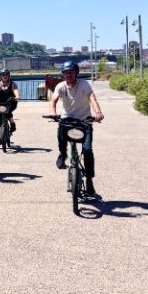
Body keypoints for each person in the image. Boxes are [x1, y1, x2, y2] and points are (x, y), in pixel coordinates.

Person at [49, 60, 104, 196]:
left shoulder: (84, 84)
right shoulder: (60, 86)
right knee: (61, 129)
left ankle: (90, 180)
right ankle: (63, 154)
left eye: (71, 72)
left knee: (87, 150)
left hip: (84, 121)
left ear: (76, 73)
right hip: (67, 120)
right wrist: (53, 112)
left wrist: (97, 112)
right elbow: (53, 100)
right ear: (63, 74)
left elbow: (92, 98)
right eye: (66, 73)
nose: (68, 75)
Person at [0, 69, 21, 145]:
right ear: (0, 76)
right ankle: (0, 137)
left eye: (6, 74)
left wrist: (17, 96)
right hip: (0, 103)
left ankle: (12, 123)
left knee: (7, 112)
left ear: (9, 75)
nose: (5, 76)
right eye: (3, 75)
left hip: (10, 103)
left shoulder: (12, 84)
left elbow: (16, 91)